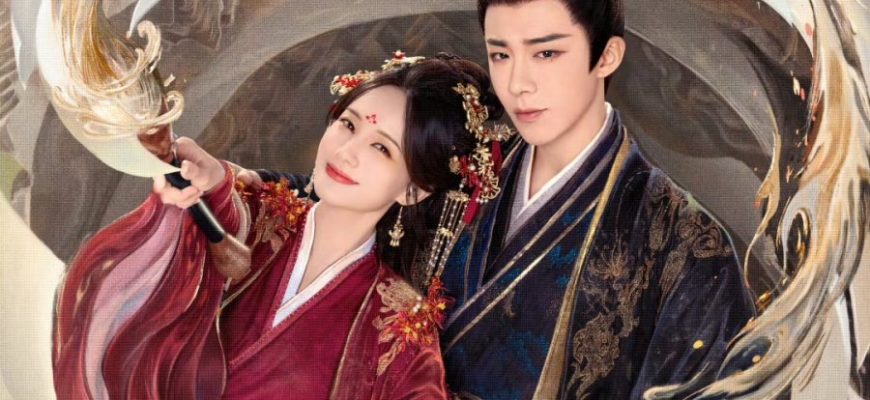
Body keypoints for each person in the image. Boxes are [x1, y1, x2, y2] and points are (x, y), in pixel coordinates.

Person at [252, 0, 757, 398]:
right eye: (501, 54)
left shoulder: (684, 243)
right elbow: (348, 190)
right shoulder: (472, 142)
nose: (518, 84)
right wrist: (234, 180)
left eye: (546, 54)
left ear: (606, 56)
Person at [52, 53, 510, 399]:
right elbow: (212, 220)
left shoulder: (400, 328)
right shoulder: (251, 212)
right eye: (348, 125)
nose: (346, 152)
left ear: (414, 190)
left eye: (382, 148)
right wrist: (181, 199)